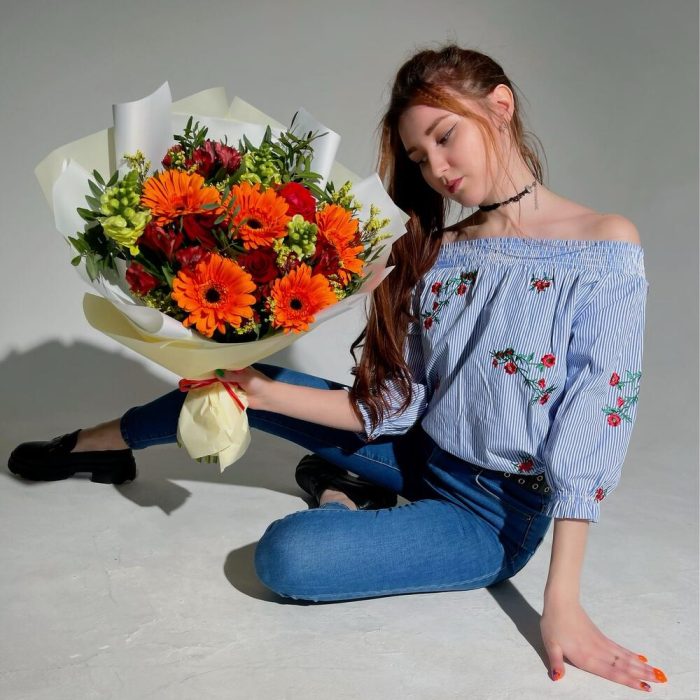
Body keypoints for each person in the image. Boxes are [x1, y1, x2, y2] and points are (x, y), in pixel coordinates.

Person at [9, 45, 664, 691]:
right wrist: (258, 390)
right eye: (419, 157)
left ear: (500, 106)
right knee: (230, 384)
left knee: (288, 557)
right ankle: (100, 444)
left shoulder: (603, 244)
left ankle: (338, 493)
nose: (437, 169)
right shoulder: (440, 251)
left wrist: (562, 601)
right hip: (414, 448)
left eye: (445, 137)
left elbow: (595, 415)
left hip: (491, 515)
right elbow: (397, 403)